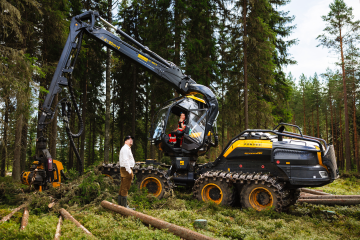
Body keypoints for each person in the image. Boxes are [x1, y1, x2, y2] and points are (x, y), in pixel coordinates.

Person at [118, 135, 135, 209]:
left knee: (123, 186)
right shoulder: (125, 148)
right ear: (125, 141)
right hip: (126, 169)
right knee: (125, 187)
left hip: (125, 169)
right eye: (129, 139)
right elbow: (125, 160)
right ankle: (124, 207)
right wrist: (129, 171)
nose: (131, 140)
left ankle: (121, 205)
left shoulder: (127, 148)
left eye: (131, 139)